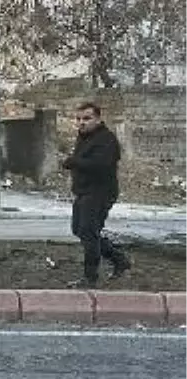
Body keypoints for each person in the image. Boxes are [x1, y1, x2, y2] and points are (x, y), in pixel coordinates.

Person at [63, 102, 130, 287]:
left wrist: (74, 162)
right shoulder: (84, 137)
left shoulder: (106, 139)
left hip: (100, 193)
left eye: (87, 118)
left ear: (98, 119)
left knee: (88, 232)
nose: (81, 122)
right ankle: (119, 260)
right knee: (79, 229)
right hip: (84, 192)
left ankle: (90, 278)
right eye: (78, 119)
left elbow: (101, 164)